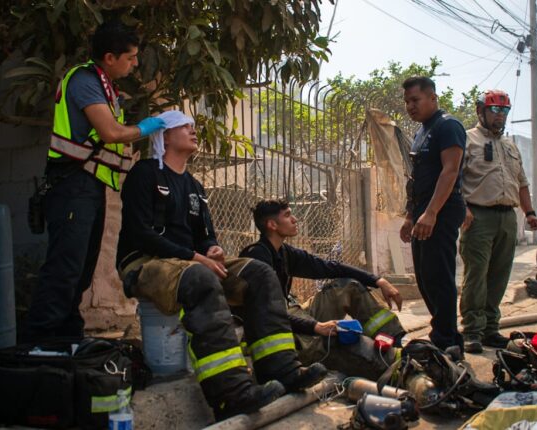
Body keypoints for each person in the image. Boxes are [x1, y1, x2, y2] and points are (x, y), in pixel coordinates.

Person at [116, 111, 327, 420]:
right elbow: (139, 233)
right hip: (145, 262)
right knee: (200, 277)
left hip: (189, 261)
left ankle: (283, 369)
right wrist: (196, 257)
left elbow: (205, 236)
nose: (193, 130)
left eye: (192, 125)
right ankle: (231, 394)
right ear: (165, 136)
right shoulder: (145, 174)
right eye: (184, 126)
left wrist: (211, 248)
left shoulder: (195, 187)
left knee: (259, 273)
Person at [22, 21, 167, 343]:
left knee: (82, 270)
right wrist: (145, 128)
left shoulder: (105, 88)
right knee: (65, 268)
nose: (135, 64)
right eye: (130, 58)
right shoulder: (85, 81)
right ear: (110, 57)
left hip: (89, 186)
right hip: (71, 185)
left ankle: (68, 340)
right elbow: (110, 133)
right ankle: (39, 345)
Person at [240, 199, 405, 379]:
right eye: (287, 215)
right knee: (329, 341)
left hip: (292, 315)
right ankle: (392, 366)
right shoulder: (256, 257)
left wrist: (379, 281)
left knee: (348, 286)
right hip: (274, 329)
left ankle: (397, 343)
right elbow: (269, 313)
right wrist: (316, 327)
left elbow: (331, 267)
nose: (295, 219)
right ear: (272, 224)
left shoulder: (285, 252)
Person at [459, 90, 537, 353]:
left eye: (504, 111)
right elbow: (453, 179)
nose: (500, 116)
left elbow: (522, 183)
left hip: (508, 217)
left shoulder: (510, 146)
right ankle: (472, 330)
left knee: (499, 276)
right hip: (478, 216)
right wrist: (462, 209)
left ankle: (490, 329)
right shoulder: (467, 140)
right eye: (494, 110)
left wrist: (529, 213)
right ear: (480, 111)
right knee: (476, 275)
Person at [399, 76, 466, 360]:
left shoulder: (447, 126)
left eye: (415, 100)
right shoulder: (420, 132)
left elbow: (450, 171)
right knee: (425, 277)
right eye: (407, 102)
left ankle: (446, 340)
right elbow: (418, 178)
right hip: (424, 212)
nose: (410, 107)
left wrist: (432, 213)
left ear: (432, 98)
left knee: (439, 275)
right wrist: (410, 215)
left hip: (441, 211)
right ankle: (445, 333)